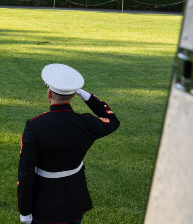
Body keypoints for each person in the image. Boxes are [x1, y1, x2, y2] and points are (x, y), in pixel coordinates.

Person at [17, 64, 120, 224]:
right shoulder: (87, 123)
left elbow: (26, 172)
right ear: (73, 95)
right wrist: (86, 96)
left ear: (49, 93)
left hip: (44, 202)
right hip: (75, 198)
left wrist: (24, 211)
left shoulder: (35, 126)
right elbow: (112, 120)